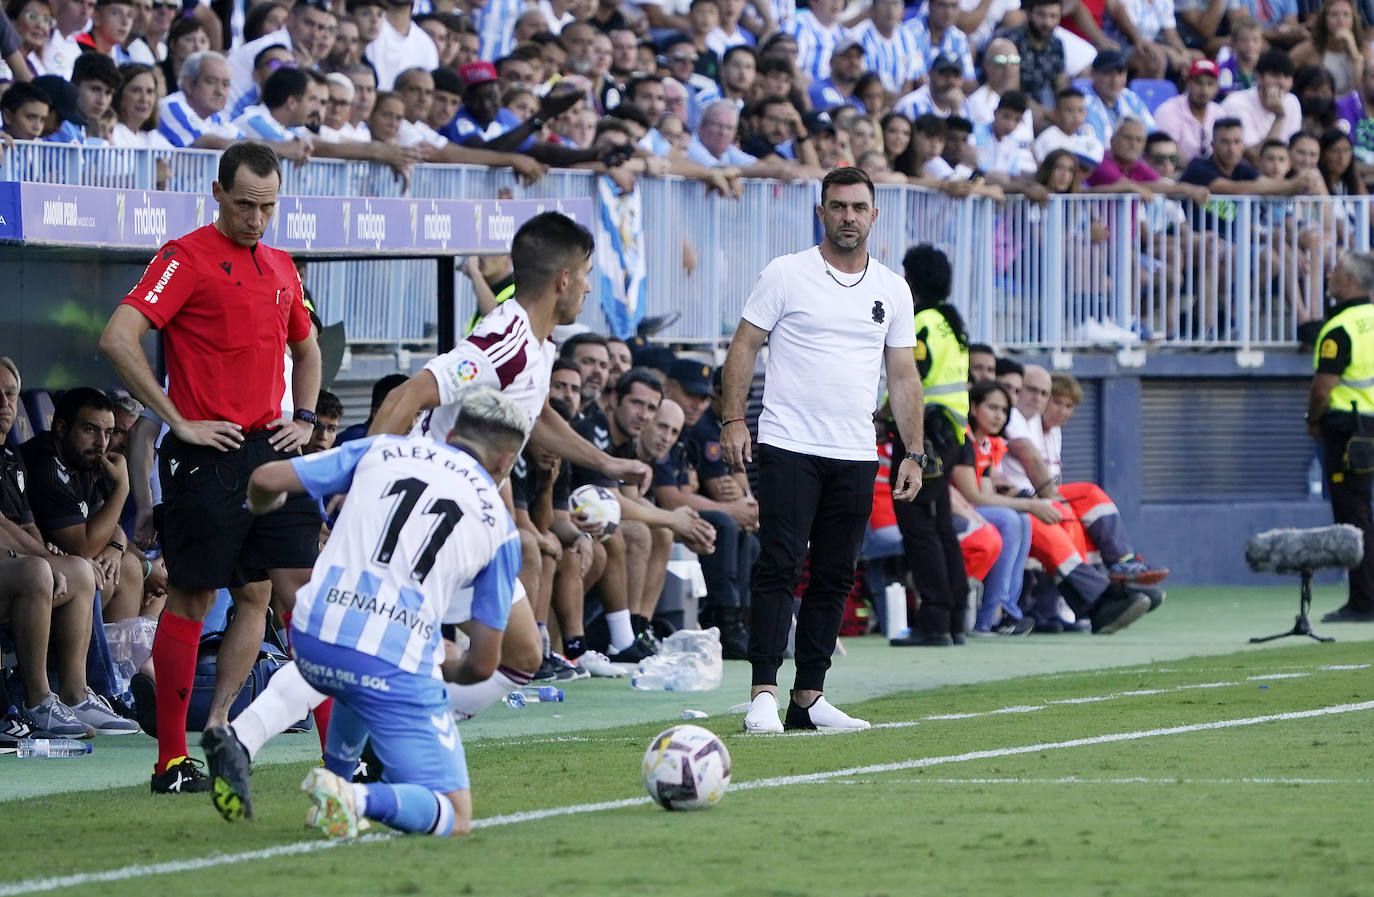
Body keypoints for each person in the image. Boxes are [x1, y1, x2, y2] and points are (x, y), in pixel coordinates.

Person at [100, 141, 323, 794]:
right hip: (207, 453)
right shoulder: (183, 257)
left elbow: (306, 349)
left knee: (288, 595)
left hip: (272, 451)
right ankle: (170, 760)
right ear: (218, 193)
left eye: (269, 207)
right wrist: (177, 416)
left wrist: (304, 417)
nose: (257, 219)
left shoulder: (282, 266)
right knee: (194, 595)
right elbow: (117, 336)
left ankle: (238, 728)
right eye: (247, 205)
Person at [203, 387, 528, 834]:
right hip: (393, 661)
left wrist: (263, 506)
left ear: (450, 431)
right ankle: (351, 795)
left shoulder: (383, 447)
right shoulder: (500, 527)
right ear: (505, 464)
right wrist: (449, 663)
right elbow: (486, 663)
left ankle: (288, 761)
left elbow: (265, 481)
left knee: (352, 674)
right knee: (455, 814)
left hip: (314, 635)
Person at [722, 167, 926, 733]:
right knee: (780, 566)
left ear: (874, 215)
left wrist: (914, 452)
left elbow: (904, 376)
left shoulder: (893, 287)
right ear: (822, 211)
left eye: (859, 208)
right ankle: (763, 691)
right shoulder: (786, 273)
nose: (848, 217)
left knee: (837, 574)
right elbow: (744, 346)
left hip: (857, 450)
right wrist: (733, 419)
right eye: (838, 206)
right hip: (788, 441)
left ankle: (808, 697)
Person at [887, 244, 971, 646]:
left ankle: (934, 621)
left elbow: (908, 384)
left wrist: (880, 418)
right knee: (941, 527)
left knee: (919, 528)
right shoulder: (950, 323)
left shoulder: (920, 323)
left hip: (924, 437)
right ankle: (955, 618)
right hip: (951, 434)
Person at [1307, 249, 1374, 622]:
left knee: (1353, 517)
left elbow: (1322, 389)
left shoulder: (1339, 329)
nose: (1329, 278)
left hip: (1351, 432)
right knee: (1365, 514)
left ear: (1349, 281)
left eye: (1334, 274)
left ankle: (1364, 601)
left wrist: (1312, 419)